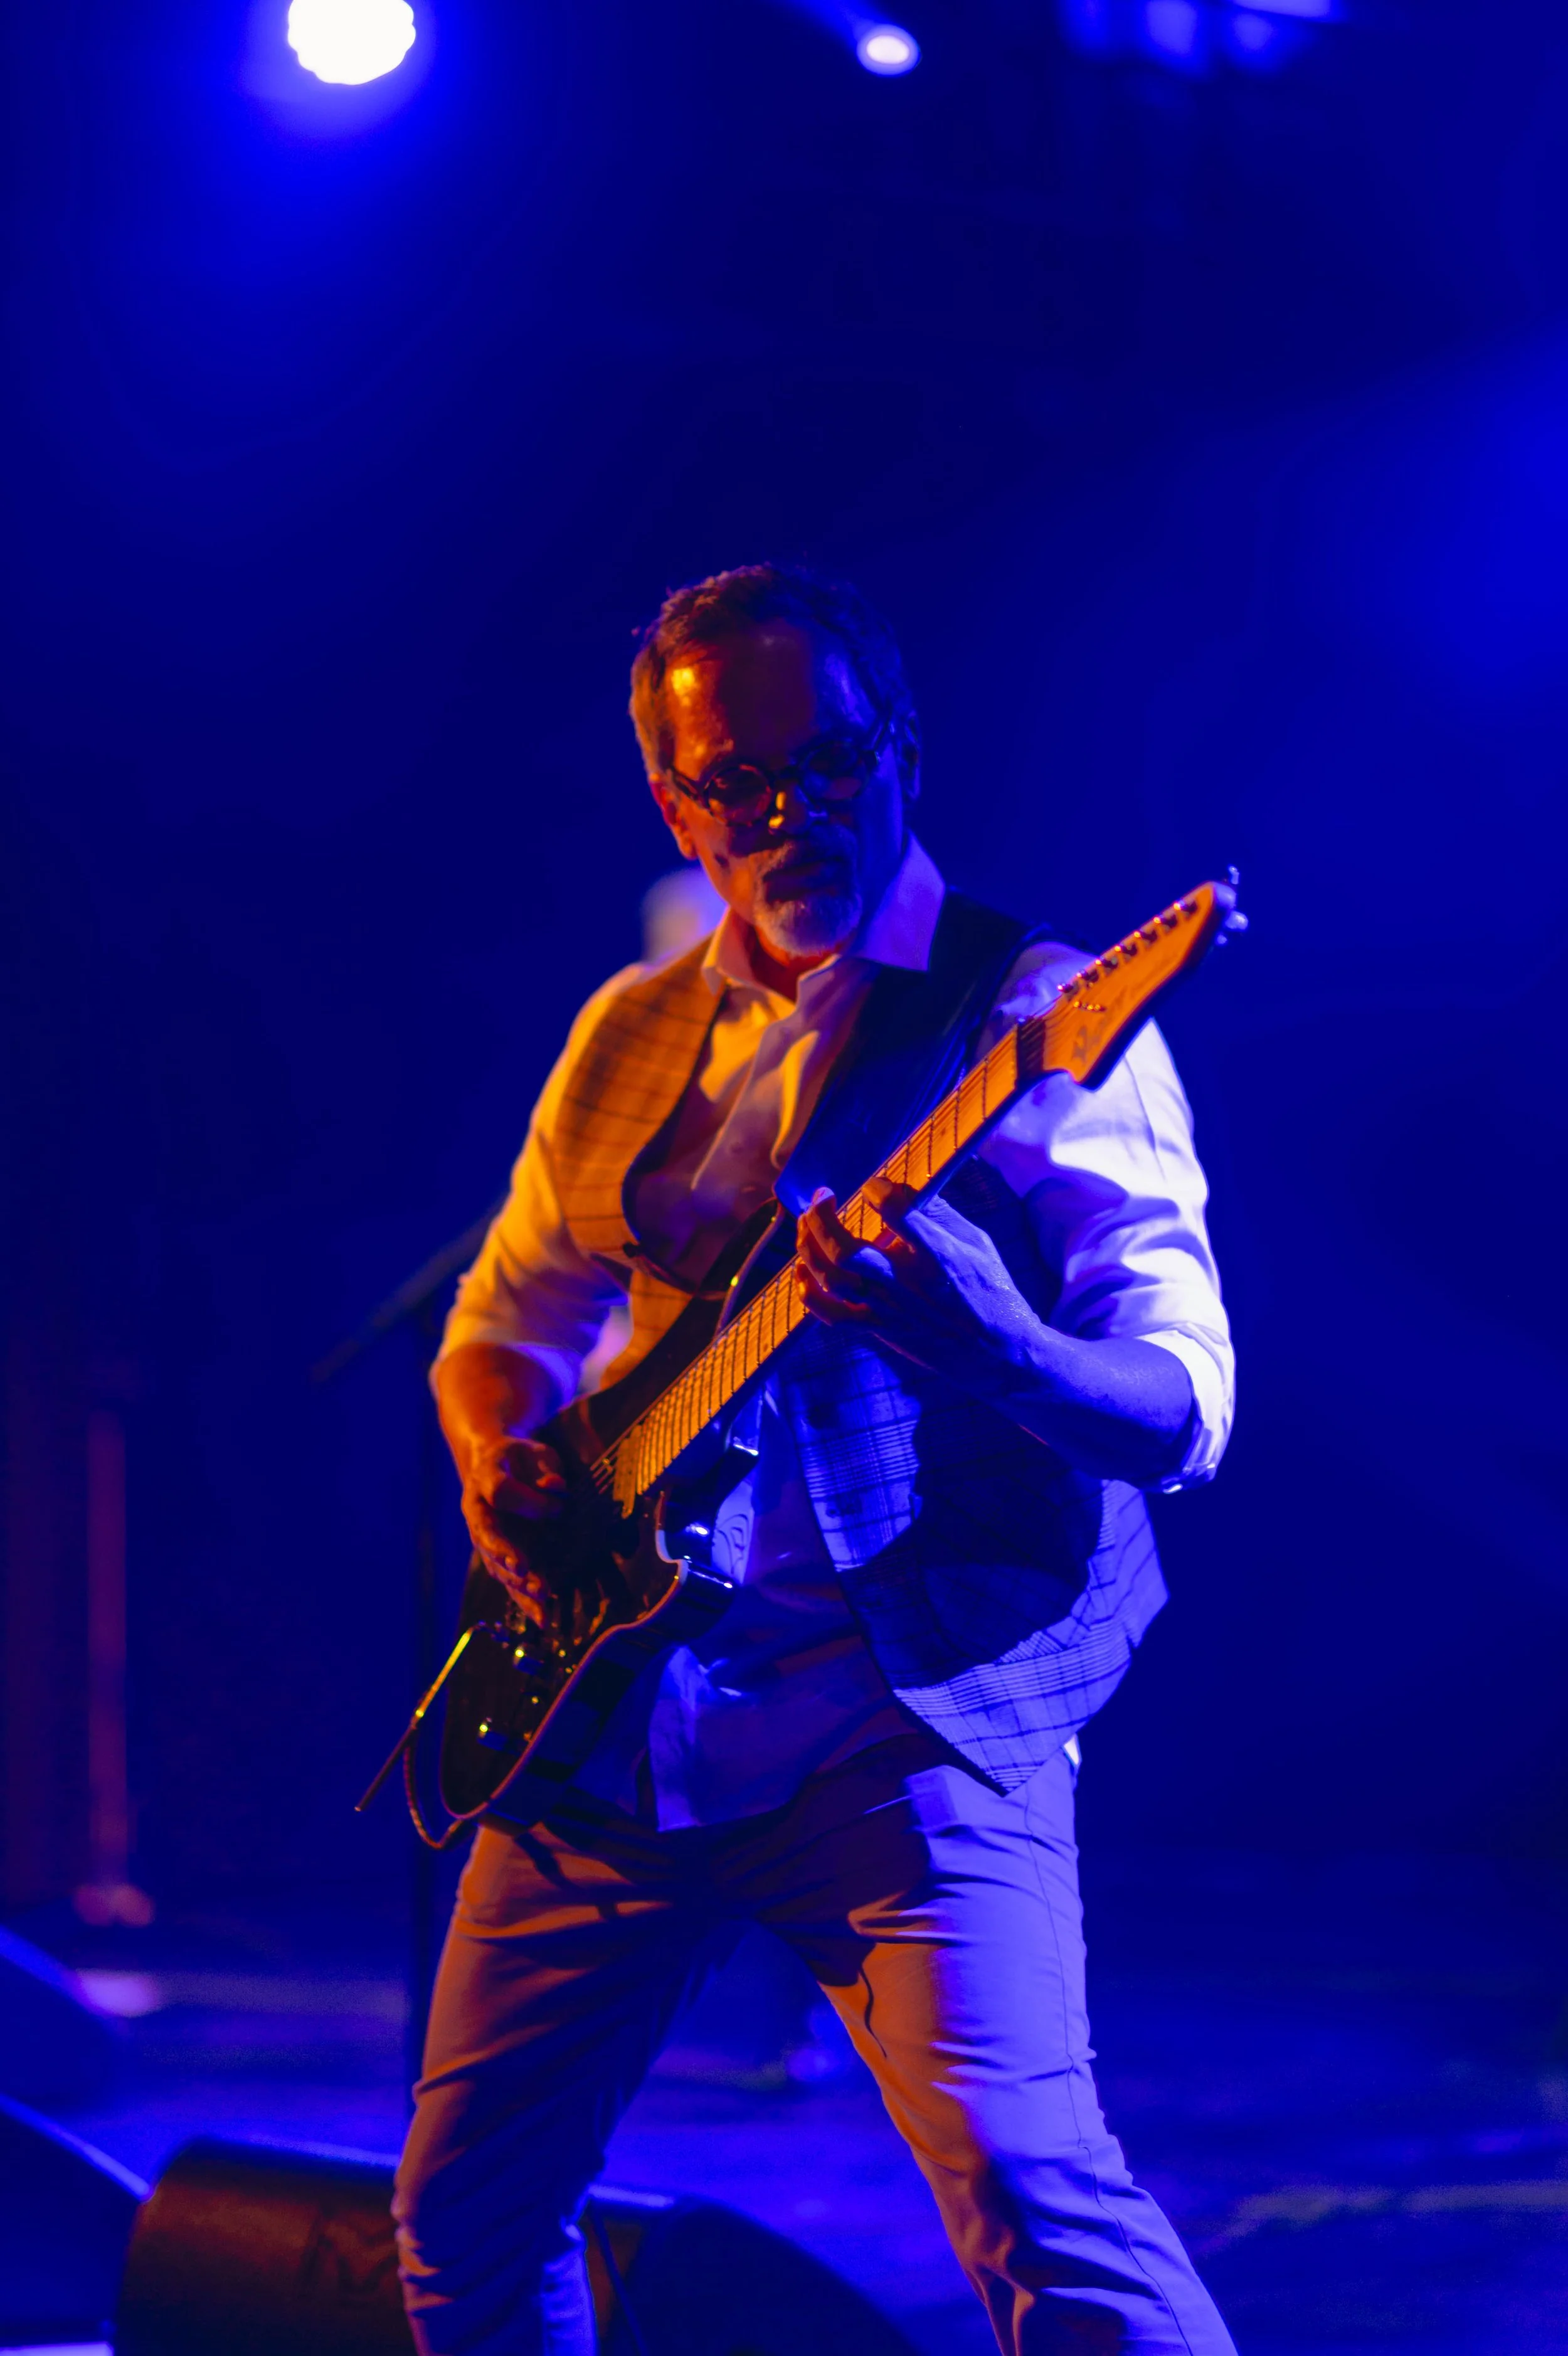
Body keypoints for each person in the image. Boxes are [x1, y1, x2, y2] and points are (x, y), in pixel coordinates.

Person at [393, 562, 1238, 2355]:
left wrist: (995, 1348)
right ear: (673, 805)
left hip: (902, 1713)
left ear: (902, 749)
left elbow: (1182, 1406)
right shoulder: (626, 1032)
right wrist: (500, 1461)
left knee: (1039, 2202)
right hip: (617, 1707)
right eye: (740, 786)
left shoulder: (1036, 1018)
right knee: (461, 2225)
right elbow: (500, 1323)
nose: (794, 817)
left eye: (832, 763)